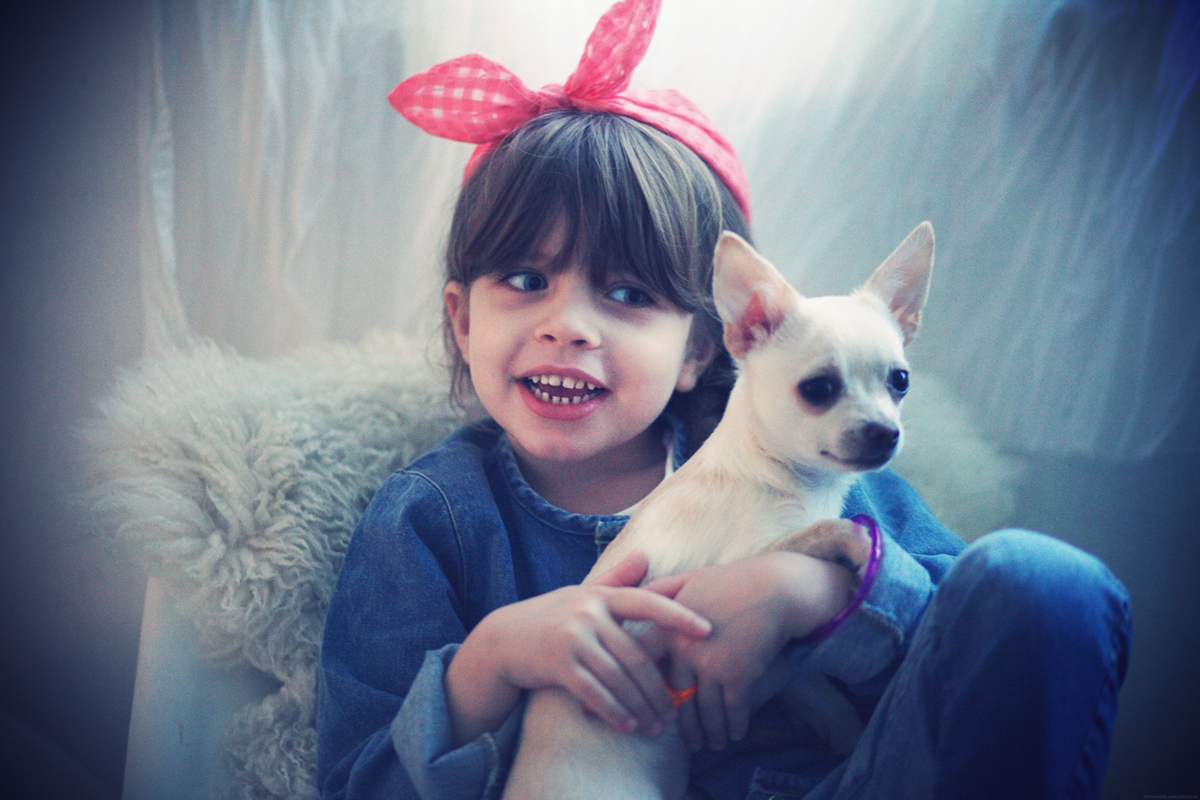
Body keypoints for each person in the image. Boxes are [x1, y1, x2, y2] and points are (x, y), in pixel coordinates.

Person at [316, 1, 1131, 798]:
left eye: (628, 294)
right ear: (461, 320)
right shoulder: (428, 518)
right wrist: (489, 663)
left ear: (705, 347)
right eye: (526, 281)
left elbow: (967, 646)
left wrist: (806, 591)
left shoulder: (825, 458)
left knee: (1047, 582)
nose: (567, 326)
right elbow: (357, 781)